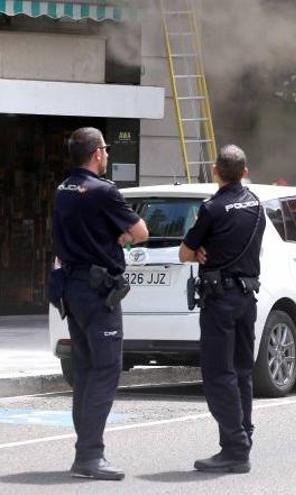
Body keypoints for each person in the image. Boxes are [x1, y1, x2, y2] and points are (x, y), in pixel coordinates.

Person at [52, 127, 149, 480]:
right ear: (96, 153)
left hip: (72, 288)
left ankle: (86, 451)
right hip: (97, 291)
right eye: (105, 149)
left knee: (86, 371)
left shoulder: (62, 190)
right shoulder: (104, 192)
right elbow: (141, 232)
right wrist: (118, 235)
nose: (107, 155)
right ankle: (89, 457)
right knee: (105, 370)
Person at [179, 145, 266, 474]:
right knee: (243, 370)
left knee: (218, 374)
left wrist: (202, 250)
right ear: (245, 171)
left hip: (220, 300)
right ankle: (244, 435)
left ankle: (234, 448)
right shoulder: (257, 205)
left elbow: (184, 254)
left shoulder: (212, 208)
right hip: (247, 297)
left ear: (216, 171)